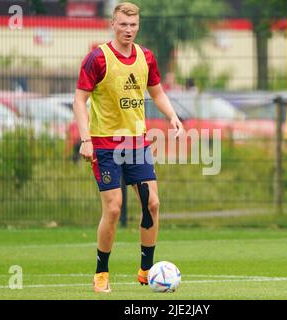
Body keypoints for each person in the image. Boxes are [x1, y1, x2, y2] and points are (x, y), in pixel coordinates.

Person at [73, 2, 183, 293]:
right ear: (113, 24)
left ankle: (146, 270)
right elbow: (79, 100)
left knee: (153, 204)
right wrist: (86, 140)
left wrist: (172, 115)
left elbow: (157, 92)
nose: (128, 30)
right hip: (105, 145)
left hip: (137, 144)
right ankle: (101, 273)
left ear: (138, 26)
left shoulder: (146, 57)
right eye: (123, 24)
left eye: (133, 25)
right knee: (113, 209)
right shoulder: (97, 58)